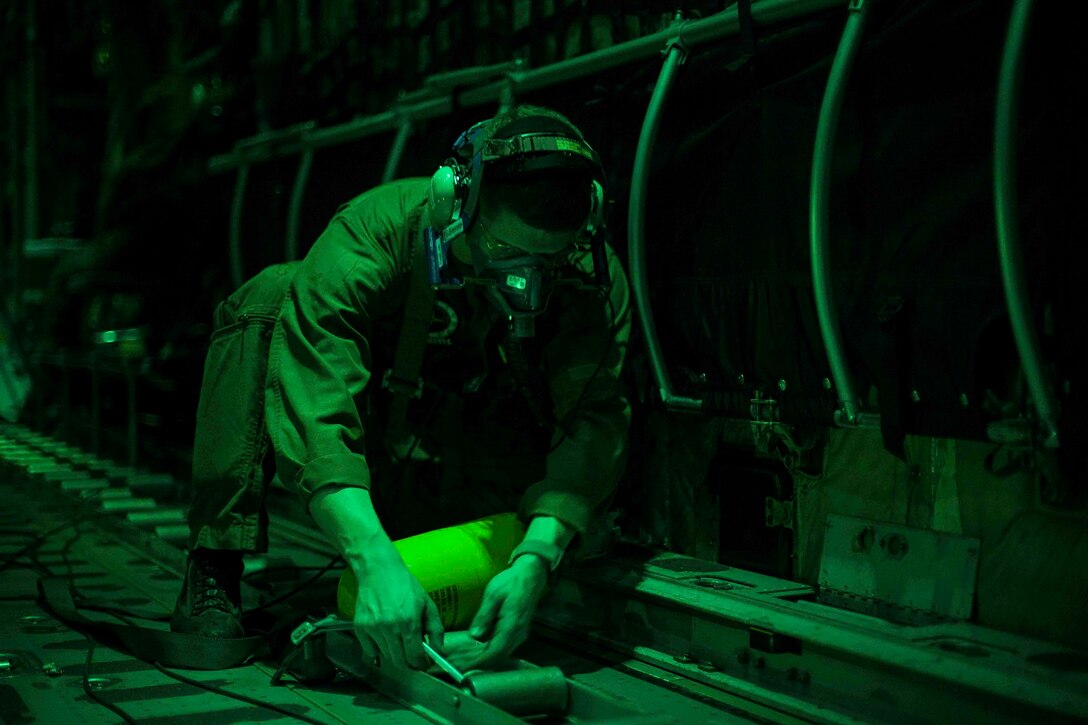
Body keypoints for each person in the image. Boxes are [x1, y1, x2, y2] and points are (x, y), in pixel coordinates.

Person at [170, 104, 632, 673]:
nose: (525, 280)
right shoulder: (378, 231)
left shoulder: (589, 273)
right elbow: (318, 390)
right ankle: (214, 562)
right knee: (271, 300)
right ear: (453, 204)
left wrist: (537, 555)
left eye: (547, 260)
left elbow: (593, 423)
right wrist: (371, 559)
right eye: (507, 253)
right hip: (382, 463)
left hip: (484, 486)